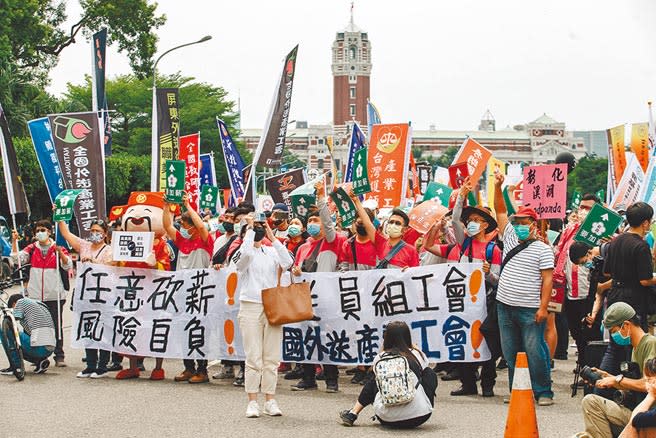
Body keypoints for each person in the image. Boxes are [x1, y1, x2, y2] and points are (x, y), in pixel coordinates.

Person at [425, 176, 502, 397]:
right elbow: (456, 218)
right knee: (463, 340)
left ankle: (488, 383)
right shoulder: (463, 243)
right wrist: (462, 195)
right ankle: (468, 383)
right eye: (471, 220)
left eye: (477, 220)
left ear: (486, 225)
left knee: (486, 344)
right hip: (461, 302)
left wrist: (488, 275)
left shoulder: (492, 250)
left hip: (484, 303)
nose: (471, 223)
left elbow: (497, 279)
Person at [493, 173, 555, 405]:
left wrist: (543, 308)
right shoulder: (508, 236)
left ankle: (543, 391)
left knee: (534, 350)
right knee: (511, 353)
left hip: (530, 309)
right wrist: (498, 187)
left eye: (523, 223)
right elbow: (499, 210)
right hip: (504, 306)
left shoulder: (542, 249)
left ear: (534, 225)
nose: (519, 226)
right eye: (516, 222)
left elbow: (547, 280)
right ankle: (518, 390)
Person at [230, 212, 293, 418]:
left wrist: (270, 234)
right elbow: (243, 259)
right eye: (254, 227)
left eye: (259, 227)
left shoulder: (270, 251)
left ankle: (270, 399)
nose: (258, 230)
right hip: (250, 305)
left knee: (271, 357)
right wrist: (248, 231)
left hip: (272, 305)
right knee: (253, 356)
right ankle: (252, 401)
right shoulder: (242, 251)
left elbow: (288, 262)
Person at [291, 180, 345, 393]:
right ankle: (308, 377)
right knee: (307, 338)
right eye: (310, 220)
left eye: (317, 220)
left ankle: (332, 379)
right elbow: (296, 269)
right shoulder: (303, 247)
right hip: (305, 298)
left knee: (327, 338)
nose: (314, 223)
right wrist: (296, 271)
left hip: (326, 299)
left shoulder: (332, 241)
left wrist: (321, 200)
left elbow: (329, 224)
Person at [338, 321, 437, 428]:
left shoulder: (380, 357)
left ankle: (353, 412)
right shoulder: (416, 354)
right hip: (419, 416)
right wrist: (415, 348)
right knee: (429, 373)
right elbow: (424, 366)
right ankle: (421, 404)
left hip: (386, 418)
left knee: (375, 379)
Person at [598, 202, 656, 385]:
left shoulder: (615, 242)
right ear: (645, 223)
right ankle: (637, 386)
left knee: (614, 347)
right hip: (634, 299)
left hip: (615, 296)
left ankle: (600, 382)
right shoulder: (641, 246)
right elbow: (645, 280)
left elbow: (607, 272)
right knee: (639, 345)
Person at [579, 302, 656, 438]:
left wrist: (616, 380)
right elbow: (635, 381)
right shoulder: (633, 348)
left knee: (591, 402)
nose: (614, 336)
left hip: (647, 414)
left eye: (614, 331)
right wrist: (606, 376)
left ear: (626, 325)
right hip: (634, 408)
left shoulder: (650, 343)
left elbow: (649, 384)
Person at [164, 195, 214, 384]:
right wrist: (166, 207)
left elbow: (201, 226)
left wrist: (187, 205)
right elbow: (167, 226)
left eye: (185, 225)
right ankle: (188, 367)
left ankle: (202, 369)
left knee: (199, 331)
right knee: (183, 329)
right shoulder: (181, 241)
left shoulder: (205, 240)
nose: (181, 229)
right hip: (182, 293)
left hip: (201, 293)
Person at [11, 220, 72, 367]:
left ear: (50, 231)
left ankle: (59, 355)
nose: (40, 233)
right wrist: (14, 241)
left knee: (56, 326)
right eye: (38, 230)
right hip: (36, 295)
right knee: (37, 328)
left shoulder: (58, 248)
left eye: (43, 230)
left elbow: (68, 264)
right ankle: (40, 356)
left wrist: (60, 253)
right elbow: (16, 259)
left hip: (54, 295)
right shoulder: (32, 249)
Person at [58, 218, 114, 378]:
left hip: (104, 295)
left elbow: (111, 267)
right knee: (88, 327)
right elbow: (66, 234)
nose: (95, 234)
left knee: (103, 329)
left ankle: (102, 366)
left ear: (105, 234)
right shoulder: (84, 246)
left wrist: (93, 261)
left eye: (98, 232)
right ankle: (90, 364)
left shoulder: (109, 250)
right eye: (93, 231)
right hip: (86, 295)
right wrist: (60, 216)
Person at [0, 294, 55, 374]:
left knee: (6, 332)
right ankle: (40, 361)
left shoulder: (21, 302)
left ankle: (16, 367)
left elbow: (11, 321)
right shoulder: (39, 304)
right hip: (49, 348)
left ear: (14, 304)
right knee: (20, 341)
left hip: (40, 347)